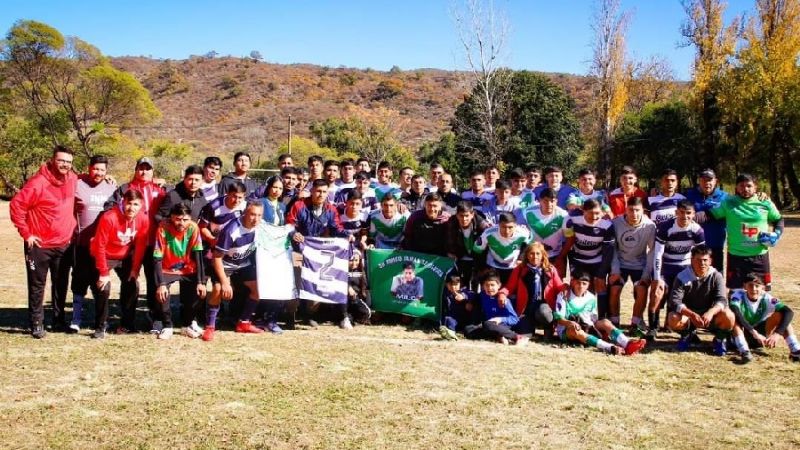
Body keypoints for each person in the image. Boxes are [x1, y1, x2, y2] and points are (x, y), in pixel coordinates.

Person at [10, 145, 78, 338]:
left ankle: (58, 320)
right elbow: (17, 206)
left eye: (68, 162)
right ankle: (36, 322)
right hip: (39, 245)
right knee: (37, 285)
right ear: (52, 160)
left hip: (63, 243)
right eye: (61, 160)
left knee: (61, 284)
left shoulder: (72, 178)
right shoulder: (38, 182)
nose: (65, 164)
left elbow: (89, 180)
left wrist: (107, 177)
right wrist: (27, 233)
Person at [105, 156, 166, 331]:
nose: (144, 171)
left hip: (154, 243)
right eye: (141, 168)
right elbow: (109, 206)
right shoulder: (125, 189)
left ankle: (156, 318)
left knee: (155, 281)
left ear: (153, 171)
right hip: (131, 244)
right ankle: (127, 322)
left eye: (148, 168)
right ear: (136, 169)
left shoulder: (160, 190)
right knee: (130, 282)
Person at [287, 179, 352, 328]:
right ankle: (289, 316)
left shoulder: (331, 209)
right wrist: (293, 233)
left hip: (317, 253)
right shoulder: (299, 205)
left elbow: (337, 228)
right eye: (318, 191)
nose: (320, 194)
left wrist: (347, 235)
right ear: (312, 191)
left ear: (327, 193)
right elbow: (289, 224)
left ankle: (308, 316)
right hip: (297, 251)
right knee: (294, 285)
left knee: (315, 287)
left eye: (324, 192)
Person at [90, 189, 150, 338]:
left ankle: (126, 325)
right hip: (105, 254)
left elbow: (140, 246)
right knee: (103, 287)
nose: (132, 208)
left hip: (125, 255)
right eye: (129, 203)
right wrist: (103, 273)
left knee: (132, 284)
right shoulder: (109, 217)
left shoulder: (143, 219)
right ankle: (100, 326)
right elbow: (99, 245)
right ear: (123, 201)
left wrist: (135, 269)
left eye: (136, 204)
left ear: (141, 205)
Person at [67, 155, 117, 333]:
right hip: (81, 243)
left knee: (99, 283)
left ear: (107, 171)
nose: (98, 173)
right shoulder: (78, 185)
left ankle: (101, 321)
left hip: (102, 246)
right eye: (95, 169)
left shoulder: (112, 187)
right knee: (79, 282)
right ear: (89, 168)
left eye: (102, 170)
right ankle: (76, 319)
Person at [205, 201, 267, 340]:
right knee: (218, 289)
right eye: (252, 214)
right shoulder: (231, 230)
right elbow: (217, 258)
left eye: (259, 215)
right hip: (224, 264)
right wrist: (225, 283)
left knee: (258, 289)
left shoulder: (260, 226)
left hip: (242, 264)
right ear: (245, 213)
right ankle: (210, 327)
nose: (255, 219)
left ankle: (243, 322)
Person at [710, 173, 784, 291]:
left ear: (755, 187)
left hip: (760, 256)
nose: (745, 189)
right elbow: (709, 215)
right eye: (741, 186)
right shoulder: (728, 202)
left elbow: (778, 219)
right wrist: (688, 217)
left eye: (749, 186)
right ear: (736, 187)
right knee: (735, 295)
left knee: (762, 294)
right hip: (736, 257)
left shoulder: (764, 202)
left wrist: (777, 234)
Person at [648, 200, 705, 340]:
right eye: (681, 213)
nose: (684, 216)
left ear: (693, 214)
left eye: (688, 213)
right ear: (676, 213)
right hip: (666, 265)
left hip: (685, 267)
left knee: (690, 296)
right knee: (657, 292)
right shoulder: (665, 227)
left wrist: (698, 275)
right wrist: (657, 278)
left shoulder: (697, 230)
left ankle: (689, 329)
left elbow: (701, 255)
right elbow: (658, 254)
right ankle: (653, 327)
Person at [554, 271, 646, 355]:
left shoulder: (591, 298)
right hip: (567, 330)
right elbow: (559, 318)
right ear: (572, 282)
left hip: (586, 327)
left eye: (584, 284)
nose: (581, 286)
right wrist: (570, 323)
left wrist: (595, 326)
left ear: (588, 285)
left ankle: (627, 343)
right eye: (578, 282)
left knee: (605, 322)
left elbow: (594, 319)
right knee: (575, 329)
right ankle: (610, 348)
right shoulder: (564, 295)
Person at [667, 245, 735, 356]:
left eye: (705, 260)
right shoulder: (682, 276)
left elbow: (722, 300)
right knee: (673, 318)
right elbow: (674, 301)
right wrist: (692, 315)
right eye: (698, 260)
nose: (702, 263)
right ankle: (687, 335)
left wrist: (710, 313)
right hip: (689, 316)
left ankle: (719, 339)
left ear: (710, 261)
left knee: (729, 316)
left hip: (710, 317)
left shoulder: (716, 276)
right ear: (692, 260)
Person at [152, 203, 206, 340]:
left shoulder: (193, 227)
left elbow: (198, 254)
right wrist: (161, 284)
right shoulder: (163, 227)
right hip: (167, 268)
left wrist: (201, 281)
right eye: (178, 219)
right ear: (171, 217)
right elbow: (157, 258)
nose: (181, 223)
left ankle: (187, 324)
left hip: (188, 268)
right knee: (162, 294)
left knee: (199, 292)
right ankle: (167, 325)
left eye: (185, 219)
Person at [498, 242, 565, 340]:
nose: (535, 256)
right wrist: (502, 294)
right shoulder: (520, 269)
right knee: (525, 336)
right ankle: (530, 328)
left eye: (538, 254)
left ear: (543, 255)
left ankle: (548, 329)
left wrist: (567, 287)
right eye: (531, 253)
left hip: (544, 306)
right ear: (527, 255)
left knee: (544, 312)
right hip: (526, 308)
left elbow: (559, 286)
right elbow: (509, 287)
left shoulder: (550, 269)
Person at [609, 197, 655, 335]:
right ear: (625, 209)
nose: (634, 214)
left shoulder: (650, 226)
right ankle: (614, 322)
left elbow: (652, 251)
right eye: (631, 210)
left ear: (643, 211)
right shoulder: (616, 223)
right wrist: (615, 270)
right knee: (615, 288)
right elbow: (613, 248)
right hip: (621, 263)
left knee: (642, 289)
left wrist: (647, 275)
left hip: (639, 264)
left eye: (637, 210)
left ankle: (635, 324)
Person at [729, 274, 800, 363]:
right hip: (743, 333)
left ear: (763, 287)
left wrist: (777, 334)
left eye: (757, 286)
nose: (754, 289)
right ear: (744, 286)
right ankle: (744, 352)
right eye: (750, 285)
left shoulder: (767, 298)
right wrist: (754, 333)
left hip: (761, 337)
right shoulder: (738, 294)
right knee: (734, 317)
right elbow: (736, 312)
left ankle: (795, 350)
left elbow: (789, 312)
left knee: (781, 316)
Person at [563, 199, 616, 319]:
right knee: (578, 286)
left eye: (598, 213)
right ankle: (573, 316)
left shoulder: (607, 226)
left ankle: (601, 318)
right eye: (591, 213)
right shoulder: (571, 221)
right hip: (578, 260)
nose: (594, 216)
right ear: (583, 211)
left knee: (600, 285)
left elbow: (608, 252)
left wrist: (601, 274)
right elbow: (568, 241)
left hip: (597, 260)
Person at [516, 187, 570, 277]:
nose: (549, 204)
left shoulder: (564, 215)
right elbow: (519, 235)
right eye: (545, 201)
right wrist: (520, 257)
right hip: (533, 256)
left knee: (555, 286)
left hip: (555, 255)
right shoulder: (527, 212)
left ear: (556, 201)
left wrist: (561, 257)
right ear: (539, 200)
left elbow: (570, 239)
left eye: (552, 201)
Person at [464, 271, 527, 345]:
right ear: (483, 286)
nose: (490, 288)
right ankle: (498, 336)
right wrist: (469, 301)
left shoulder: (504, 300)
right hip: (488, 324)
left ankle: (517, 337)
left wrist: (500, 319)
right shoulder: (483, 295)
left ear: (499, 285)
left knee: (488, 325)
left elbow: (514, 319)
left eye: (492, 285)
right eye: (487, 285)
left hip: (502, 325)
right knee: (468, 330)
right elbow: (473, 296)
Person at [684, 169, 728, 272]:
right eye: (704, 180)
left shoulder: (725, 197)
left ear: (715, 181)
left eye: (710, 180)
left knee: (715, 277)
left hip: (715, 245)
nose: (707, 183)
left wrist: (761, 195)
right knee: (694, 277)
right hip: (694, 245)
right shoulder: (689, 195)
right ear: (699, 181)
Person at [473, 212, 531, 285]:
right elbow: (477, 250)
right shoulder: (488, 233)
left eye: (510, 227)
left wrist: (521, 258)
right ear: (499, 225)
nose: (507, 231)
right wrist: (482, 268)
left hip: (514, 267)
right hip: (493, 267)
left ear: (515, 225)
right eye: (503, 227)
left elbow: (528, 247)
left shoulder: (523, 233)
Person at [445, 201, 491, 291]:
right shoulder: (452, 223)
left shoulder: (482, 225)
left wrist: (485, 265)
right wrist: (451, 253)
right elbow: (449, 242)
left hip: (479, 256)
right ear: (457, 215)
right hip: (461, 256)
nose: (464, 219)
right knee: (462, 283)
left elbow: (488, 246)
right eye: (461, 216)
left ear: (472, 214)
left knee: (479, 283)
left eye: (466, 216)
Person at [440, 272, 479, 341]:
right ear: (446, 285)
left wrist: (464, 298)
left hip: (464, 318)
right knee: (448, 319)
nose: (453, 287)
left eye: (456, 285)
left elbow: (473, 295)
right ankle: (450, 334)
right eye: (450, 284)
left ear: (460, 284)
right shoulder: (445, 294)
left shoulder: (463, 291)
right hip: (453, 318)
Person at [347, 250, 371, 325]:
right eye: (351, 260)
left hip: (358, 299)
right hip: (347, 298)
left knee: (366, 311)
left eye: (356, 260)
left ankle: (354, 317)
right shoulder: (343, 271)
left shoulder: (362, 271)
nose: (354, 263)